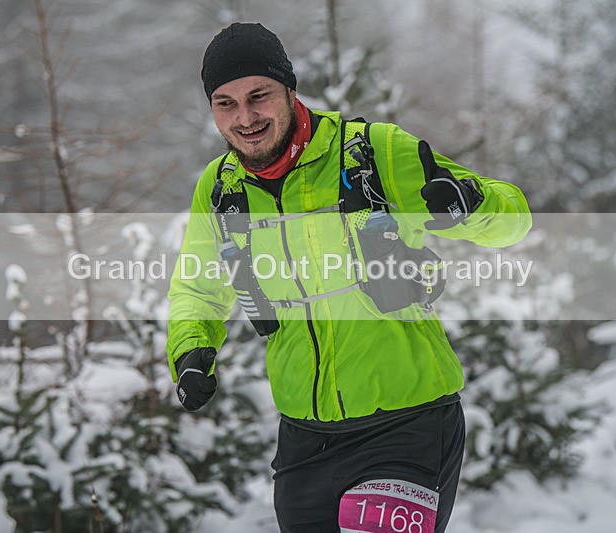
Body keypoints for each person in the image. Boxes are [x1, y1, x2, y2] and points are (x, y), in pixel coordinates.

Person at [167, 22, 531, 533]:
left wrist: (470, 205)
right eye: (225, 103)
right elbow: (198, 287)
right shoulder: (221, 187)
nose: (245, 118)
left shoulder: (371, 154)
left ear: (290, 90)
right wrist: (189, 350)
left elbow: (515, 219)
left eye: (258, 96)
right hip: (303, 439)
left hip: (407, 427)